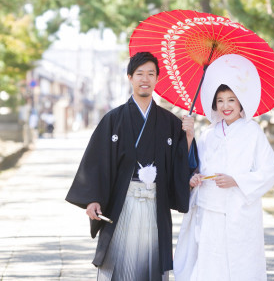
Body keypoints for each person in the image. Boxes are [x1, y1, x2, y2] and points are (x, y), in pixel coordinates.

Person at [66, 52, 198, 281]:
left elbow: (181, 164)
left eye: (151, 74)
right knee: (119, 266)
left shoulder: (171, 122)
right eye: (139, 74)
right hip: (121, 203)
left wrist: (188, 136)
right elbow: (97, 161)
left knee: (151, 266)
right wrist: (93, 199)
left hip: (155, 205)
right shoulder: (113, 119)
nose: (145, 79)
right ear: (130, 77)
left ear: (157, 79)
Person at [174, 54, 274, 281]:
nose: (225, 106)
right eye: (220, 100)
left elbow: (269, 170)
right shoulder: (209, 134)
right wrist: (194, 178)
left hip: (239, 210)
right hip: (210, 210)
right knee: (209, 265)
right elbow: (196, 167)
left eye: (231, 99)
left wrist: (237, 180)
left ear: (240, 102)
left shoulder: (253, 132)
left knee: (241, 266)